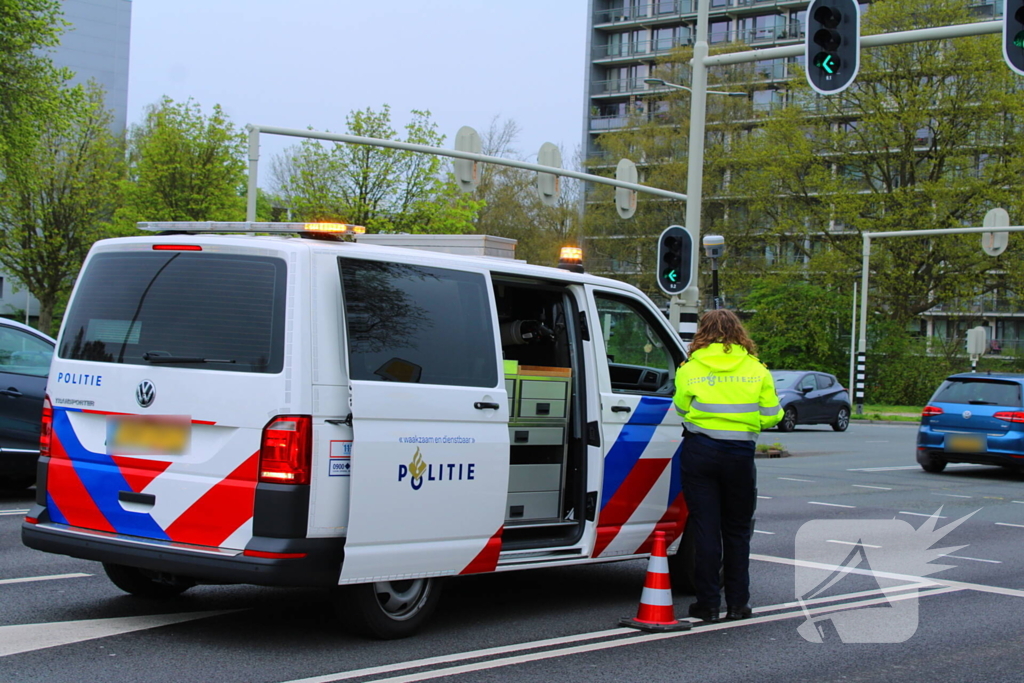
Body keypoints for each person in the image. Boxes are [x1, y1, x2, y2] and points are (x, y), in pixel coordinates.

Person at [673, 309, 782, 623]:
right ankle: (738, 604)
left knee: (706, 529)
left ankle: (707, 605)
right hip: (739, 455)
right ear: (738, 332)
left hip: (700, 450)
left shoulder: (690, 368)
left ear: (702, 332)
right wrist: (747, 423)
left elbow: (680, 407)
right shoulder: (756, 369)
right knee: (736, 531)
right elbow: (773, 414)